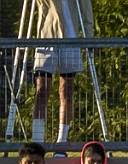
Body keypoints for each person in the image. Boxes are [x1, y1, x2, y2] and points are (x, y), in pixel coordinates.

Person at [32, 0, 94, 145]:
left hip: (70, 40)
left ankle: (61, 141)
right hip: (47, 38)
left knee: (66, 91)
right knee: (41, 90)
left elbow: (87, 13)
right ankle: (37, 141)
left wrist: (89, 39)